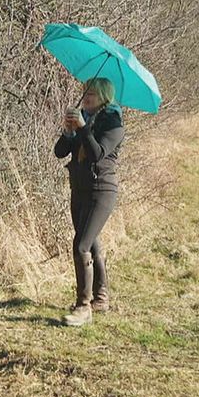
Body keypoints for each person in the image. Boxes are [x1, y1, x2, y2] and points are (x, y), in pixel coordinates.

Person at [53, 78, 125, 326]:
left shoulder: (113, 123)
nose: (86, 96)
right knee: (91, 242)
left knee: (81, 244)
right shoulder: (82, 118)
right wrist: (69, 131)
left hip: (101, 190)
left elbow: (96, 154)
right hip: (80, 188)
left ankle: (84, 307)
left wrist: (83, 128)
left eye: (92, 93)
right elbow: (60, 152)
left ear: (104, 96)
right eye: (85, 91)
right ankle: (101, 297)